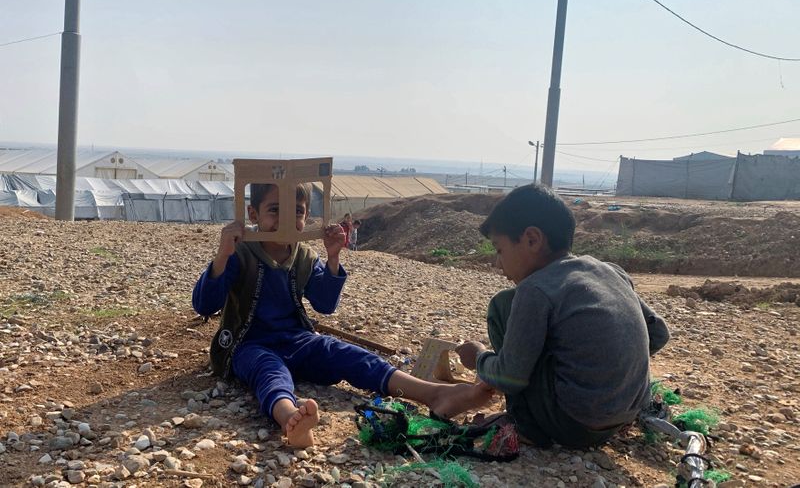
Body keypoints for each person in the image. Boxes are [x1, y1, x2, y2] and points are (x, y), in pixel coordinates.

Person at [193, 183, 492, 447]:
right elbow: (204, 305)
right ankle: (290, 419)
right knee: (269, 373)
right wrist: (222, 256)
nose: (286, 219)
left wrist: (333, 257)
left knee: (349, 354)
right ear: (253, 214)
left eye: (296, 211)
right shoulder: (240, 252)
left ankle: (432, 393)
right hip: (250, 345)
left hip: (298, 340)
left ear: (307, 217)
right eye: (274, 210)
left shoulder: (303, 255)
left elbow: (324, 304)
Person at [455, 184, 670, 448]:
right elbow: (658, 334)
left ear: (532, 239)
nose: (498, 264)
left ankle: (526, 425)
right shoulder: (610, 271)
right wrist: (612, 369)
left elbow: (511, 375)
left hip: (573, 426)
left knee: (502, 305)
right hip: (624, 417)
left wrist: (478, 357)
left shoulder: (534, 289)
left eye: (499, 250)